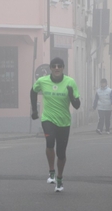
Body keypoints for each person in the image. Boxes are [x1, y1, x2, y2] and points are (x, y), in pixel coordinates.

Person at [30, 57, 80, 192]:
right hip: (48, 119)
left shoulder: (70, 82)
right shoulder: (42, 81)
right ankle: (51, 171)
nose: (56, 68)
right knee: (50, 142)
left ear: (63, 68)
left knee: (61, 153)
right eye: (54, 66)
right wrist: (34, 109)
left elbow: (77, 105)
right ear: (50, 68)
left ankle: (59, 178)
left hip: (64, 121)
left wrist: (71, 95)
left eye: (59, 66)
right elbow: (33, 91)